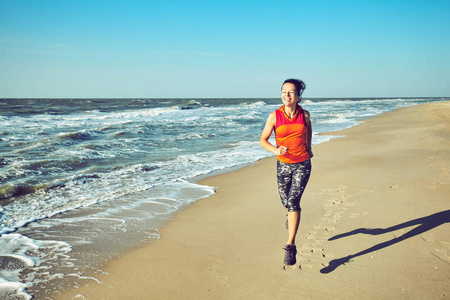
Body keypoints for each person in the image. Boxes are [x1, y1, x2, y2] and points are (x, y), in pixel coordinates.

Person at [260, 78, 313, 265]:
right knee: (285, 201)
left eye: (291, 92)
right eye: (284, 91)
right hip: (283, 164)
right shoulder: (274, 116)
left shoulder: (305, 115)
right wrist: (275, 150)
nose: (286, 95)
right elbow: (263, 140)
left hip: (302, 164)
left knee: (293, 202)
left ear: (298, 96)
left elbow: (308, 132)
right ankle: (290, 216)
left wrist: (309, 148)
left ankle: (291, 245)